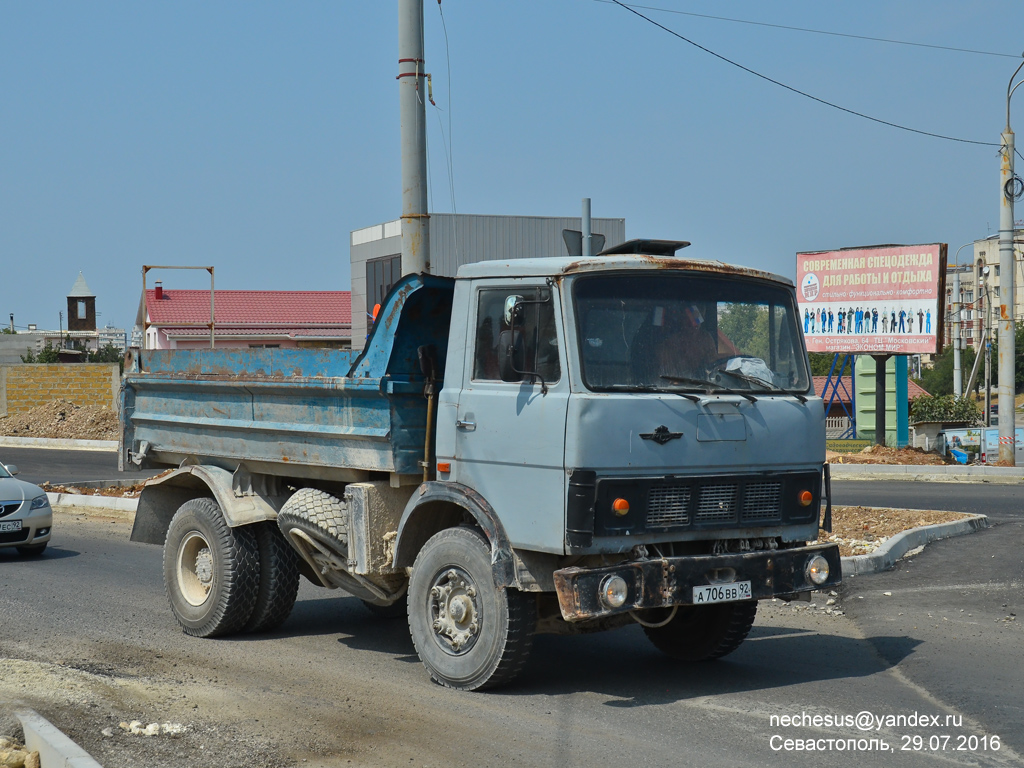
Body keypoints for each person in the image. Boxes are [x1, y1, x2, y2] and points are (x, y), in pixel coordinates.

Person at [654, 303, 719, 381]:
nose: (694, 325)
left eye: (697, 320)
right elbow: (668, 376)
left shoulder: (706, 339)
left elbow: (713, 365)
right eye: (689, 321)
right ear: (682, 319)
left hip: (703, 387)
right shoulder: (670, 343)